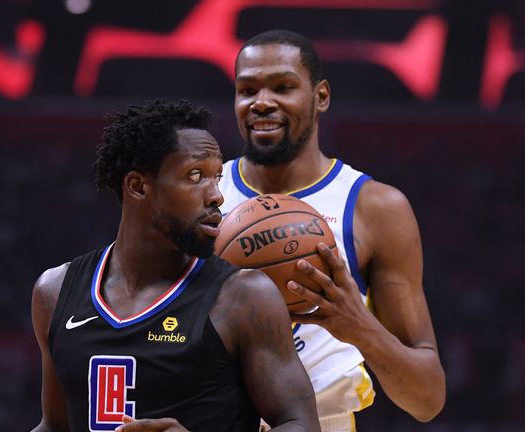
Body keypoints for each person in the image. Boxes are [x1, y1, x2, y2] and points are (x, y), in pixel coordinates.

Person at [30, 99, 320, 432]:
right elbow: (54, 425)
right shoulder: (54, 292)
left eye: (217, 176)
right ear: (138, 186)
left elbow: (301, 425)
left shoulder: (243, 296)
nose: (216, 195)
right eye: (195, 176)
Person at [219, 30, 446, 431]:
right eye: (247, 89)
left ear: (321, 96)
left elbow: (427, 399)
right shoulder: (201, 198)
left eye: (283, 87)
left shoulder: (375, 208)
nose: (262, 102)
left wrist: (357, 324)